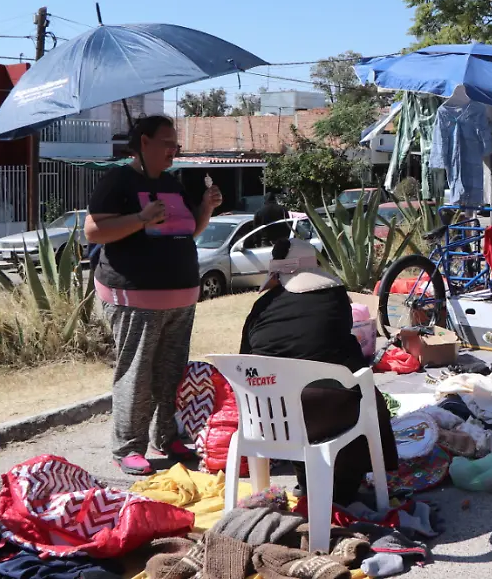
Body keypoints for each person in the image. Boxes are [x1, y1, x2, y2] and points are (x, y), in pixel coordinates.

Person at [86, 115, 223, 476]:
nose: (172, 150)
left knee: (171, 372)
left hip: (180, 295)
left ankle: (168, 436)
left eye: (175, 144)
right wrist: (141, 219)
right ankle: (128, 446)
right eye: (166, 143)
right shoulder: (118, 180)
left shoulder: (172, 183)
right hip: (134, 296)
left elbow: (187, 231)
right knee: (138, 371)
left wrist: (205, 209)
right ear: (143, 142)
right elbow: (94, 231)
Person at [240, 238, 399, 504]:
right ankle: (346, 484)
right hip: (325, 415)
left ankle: (306, 482)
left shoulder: (261, 308)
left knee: (306, 393)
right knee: (359, 392)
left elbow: (246, 358)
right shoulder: (333, 297)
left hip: (268, 418)